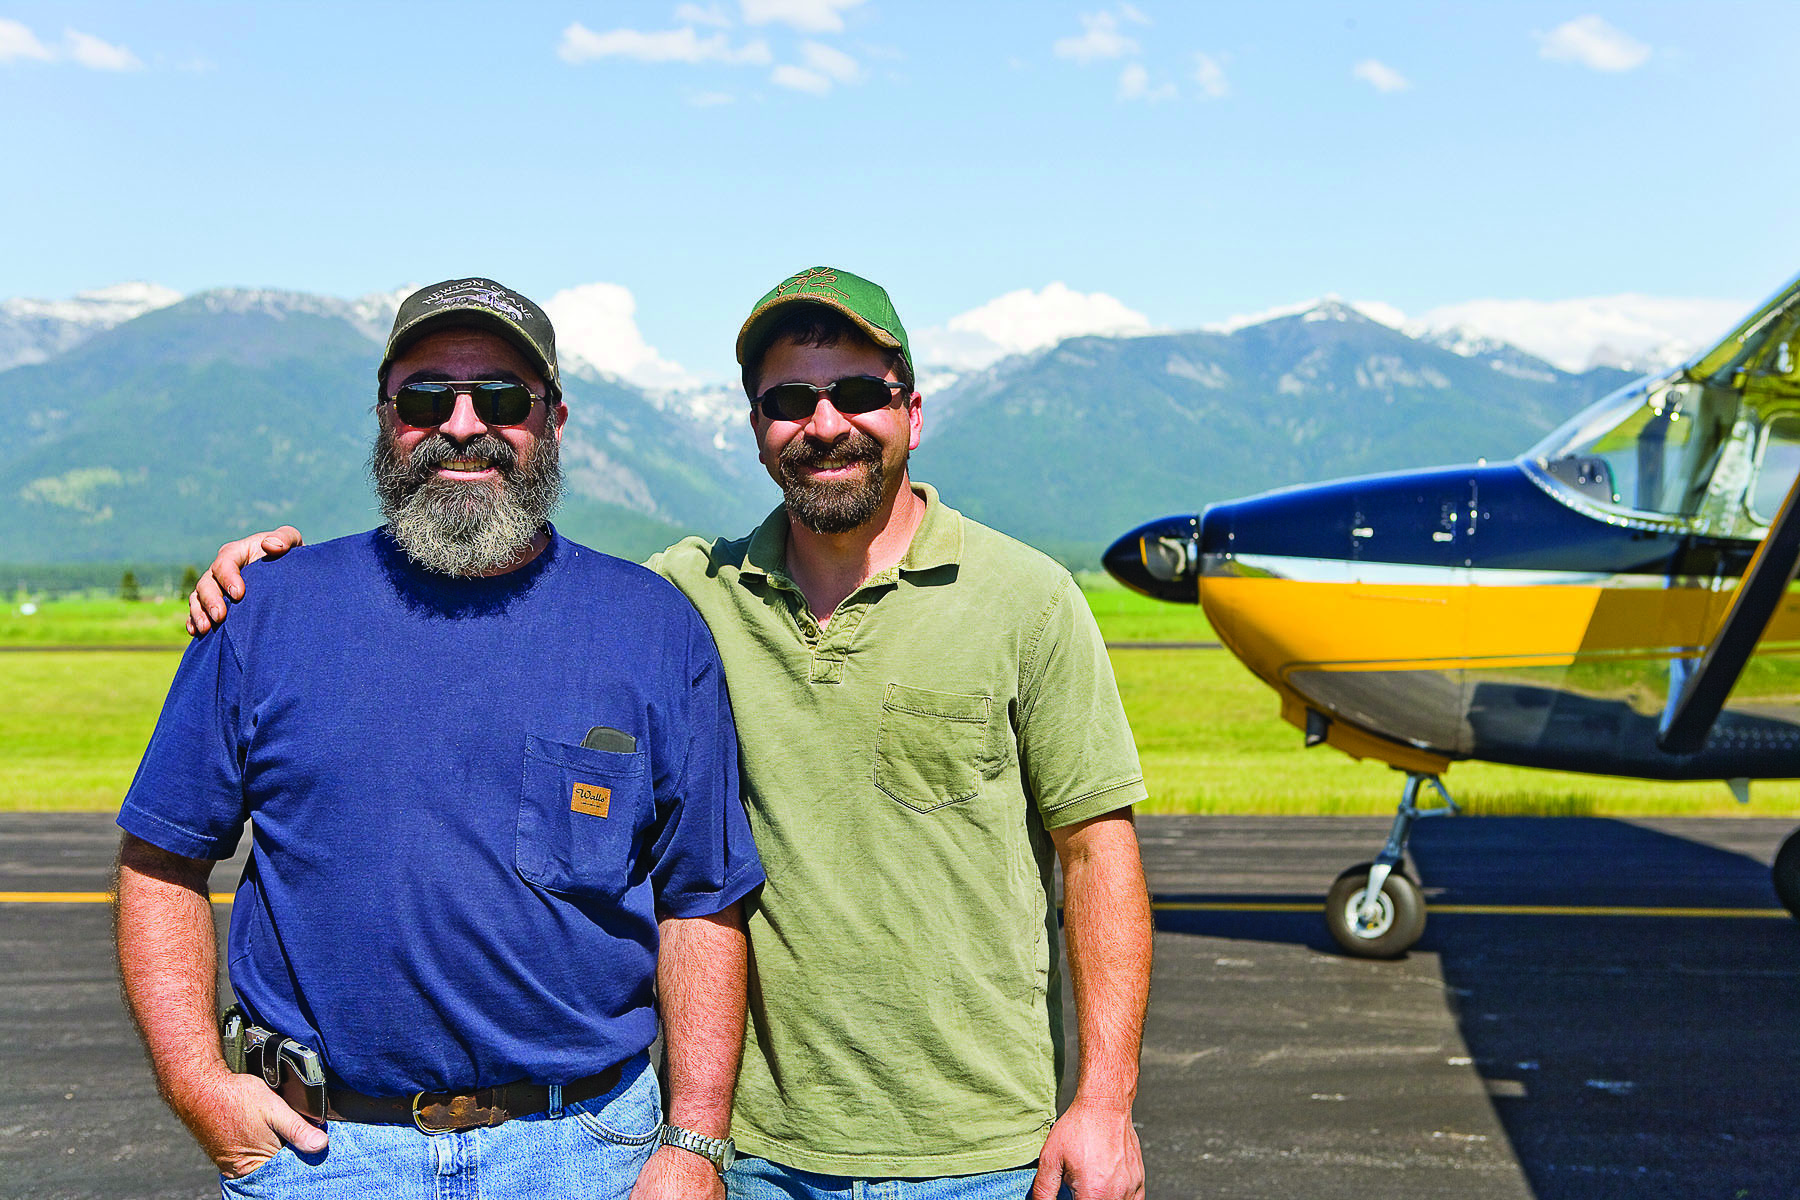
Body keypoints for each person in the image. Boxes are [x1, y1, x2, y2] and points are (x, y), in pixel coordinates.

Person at [188, 266, 1154, 1200]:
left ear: (912, 410)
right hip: (761, 1149)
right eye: (789, 402)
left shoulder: (1029, 600)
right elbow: (534, 593)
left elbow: (1097, 854)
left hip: (983, 1149)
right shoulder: (688, 599)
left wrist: (1104, 1103)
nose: (825, 425)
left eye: (860, 392)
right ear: (755, 427)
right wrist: (258, 581)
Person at [118, 277, 764, 1200]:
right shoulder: (268, 613)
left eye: (501, 398)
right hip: (323, 1154)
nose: (465, 425)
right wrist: (196, 1085)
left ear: (555, 419)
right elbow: (160, 863)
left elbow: (701, 899)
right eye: (427, 398)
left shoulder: (653, 629)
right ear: (386, 417)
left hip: (584, 1152)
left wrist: (694, 1145)